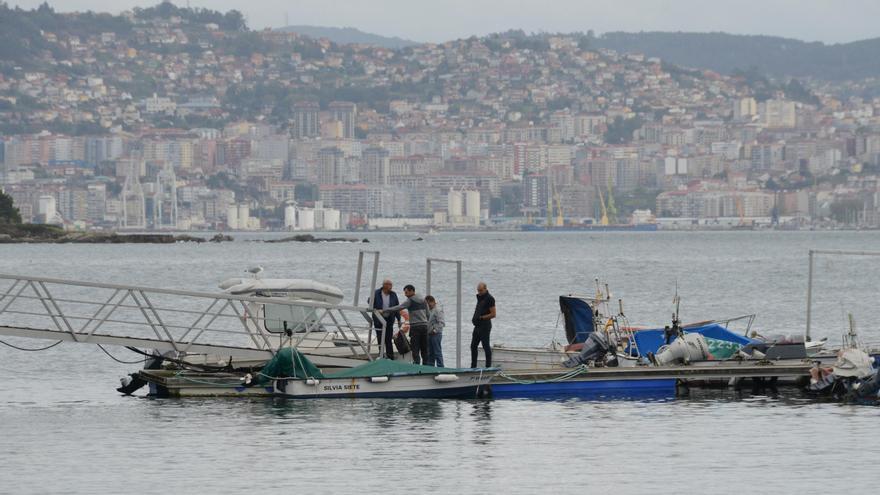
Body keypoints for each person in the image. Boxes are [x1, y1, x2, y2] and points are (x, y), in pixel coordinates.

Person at [385, 284, 429, 365]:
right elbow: (428, 314)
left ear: (412, 291)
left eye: (406, 292)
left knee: (415, 348)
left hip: (415, 327)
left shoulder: (410, 300)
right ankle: (426, 366)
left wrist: (385, 310)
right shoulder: (423, 300)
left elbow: (399, 307)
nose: (405, 294)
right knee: (424, 348)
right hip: (424, 326)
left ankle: (417, 366)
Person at [371, 279, 401, 359]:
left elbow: (397, 307)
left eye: (391, 285)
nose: (390, 287)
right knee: (380, 337)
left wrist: (399, 319)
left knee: (388, 338)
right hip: (379, 319)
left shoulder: (393, 294)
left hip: (389, 319)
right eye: (389, 285)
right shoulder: (376, 293)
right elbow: (369, 301)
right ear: (384, 285)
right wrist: (375, 309)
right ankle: (381, 355)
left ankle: (390, 356)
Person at [470, 282, 496, 368]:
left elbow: (493, 314)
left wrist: (482, 317)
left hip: (485, 325)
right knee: (473, 346)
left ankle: (488, 366)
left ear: (485, 289)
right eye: (478, 290)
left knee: (485, 346)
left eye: (481, 290)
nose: (479, 292)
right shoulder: (480, 298)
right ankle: (473, 366)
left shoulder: (490, 298)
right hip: (477, 326)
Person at [425, 295, 445, 367]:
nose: (427, 306)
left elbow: (442, 322)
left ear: (433, 302)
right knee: (430, 353)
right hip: (430, 334)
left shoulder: (438, 310)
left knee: (437, 352)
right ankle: (431, 367)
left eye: (428, 304)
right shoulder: (430, 310)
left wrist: (435, 330)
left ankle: (441, 367)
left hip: (436, 335)